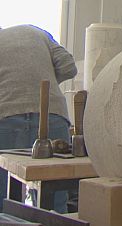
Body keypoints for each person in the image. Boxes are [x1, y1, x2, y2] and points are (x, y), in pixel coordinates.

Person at [0, 24, 76, 212]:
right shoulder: (36, 32)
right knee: (53, 200)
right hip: (53, 114)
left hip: (6, 115)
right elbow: (69, 67)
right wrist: (40, 87)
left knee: (4, 198)